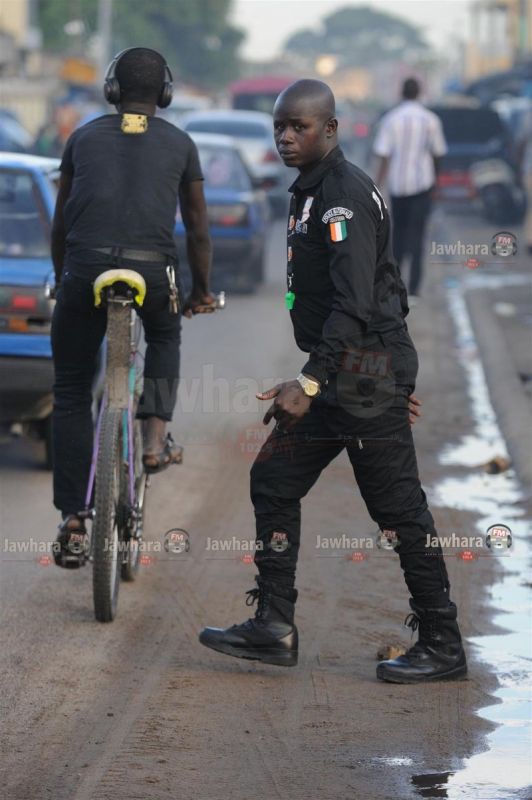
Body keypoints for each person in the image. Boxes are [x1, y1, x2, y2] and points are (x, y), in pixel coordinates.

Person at [199, 79, 467, 684]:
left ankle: (443, 641)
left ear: (330, 128)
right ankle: (274, 624)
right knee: (273, 478)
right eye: (280, 127)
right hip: (350, 372)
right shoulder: (310, 191)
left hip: (361, 373)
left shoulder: (342, 196)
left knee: (398, 511)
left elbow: (355, 303)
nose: (286, 137)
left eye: (299, 127)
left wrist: (315, 382)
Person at [51, 47, 213, 565]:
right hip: (152, 271)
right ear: (165, 93)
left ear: (112, 90)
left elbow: (62, 222)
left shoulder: (81, 138)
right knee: (165, 334)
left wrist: (65, 279)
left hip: (85, 269)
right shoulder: (181, 144)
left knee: (71, 388)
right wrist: (201, 291)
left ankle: (73, 519)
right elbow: (198, 230)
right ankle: (154, 439)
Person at [373, 77, 447, 302]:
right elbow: (438, 154)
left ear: (402, 93)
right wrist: (436, 183)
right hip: (423, 185)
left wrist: (377, 186)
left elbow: (384, 156)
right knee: (418, 236)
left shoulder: (391, 119)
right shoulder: (430, 120)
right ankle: (414, 290)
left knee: (398, 236)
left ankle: (395, 286)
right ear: (419, 93)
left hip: (398, 186)